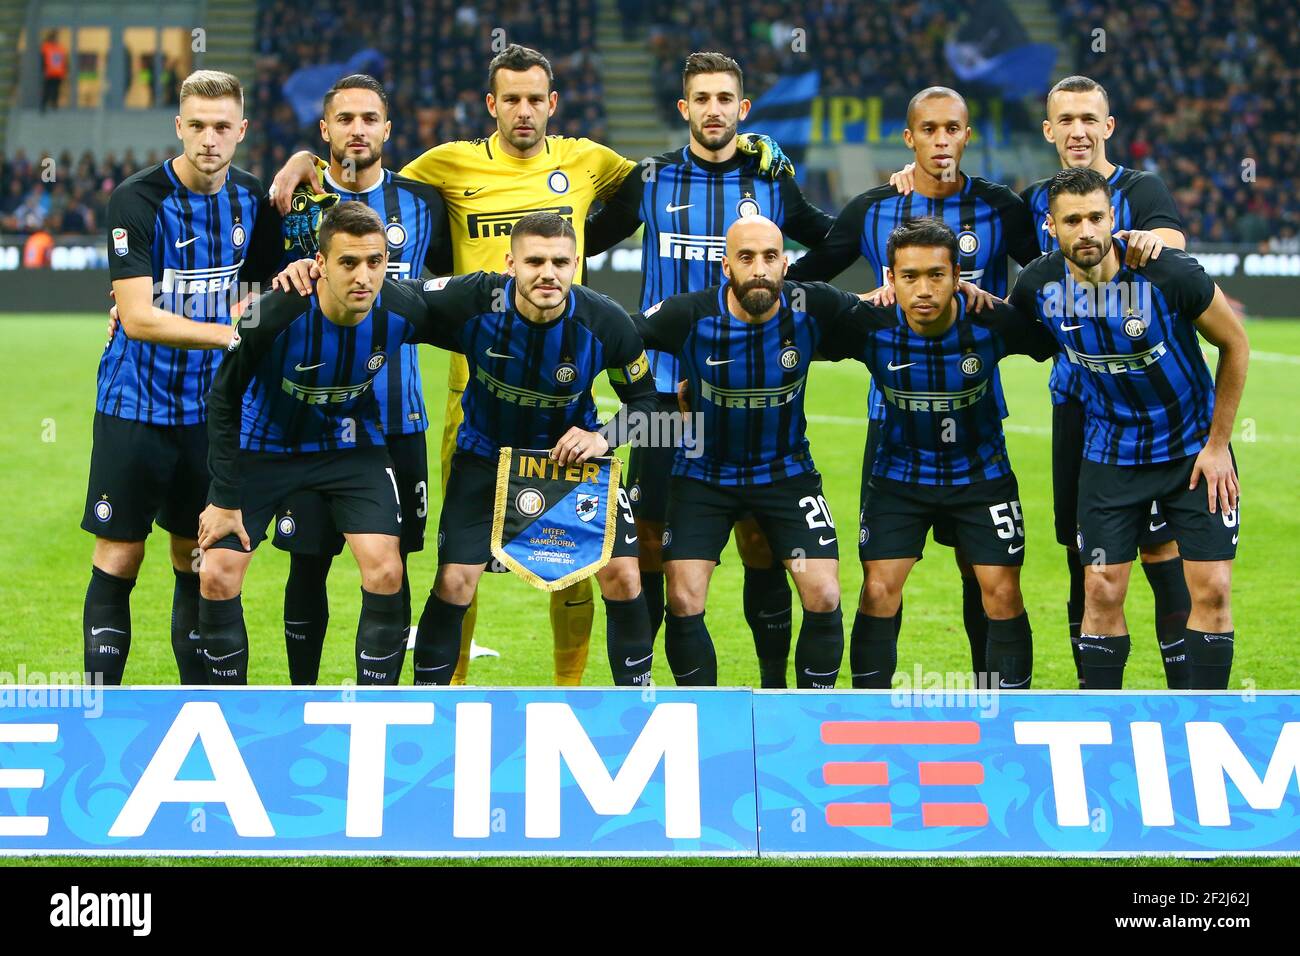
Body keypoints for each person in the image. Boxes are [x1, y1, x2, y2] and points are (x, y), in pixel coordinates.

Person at [269, 43, 791, 687]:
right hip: (475, 404)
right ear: (492, 104)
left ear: (553, 103)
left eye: (534, 99)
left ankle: (568, 689)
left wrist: (743, 150)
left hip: (564, 430)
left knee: (579, 568)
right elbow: (370, 174)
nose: (523, 110)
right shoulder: (449, 170)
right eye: (510, 98)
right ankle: (448, 690)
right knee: (457, 572)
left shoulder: (588, 185)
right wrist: (306, 169)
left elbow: (669, 176)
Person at [584, 51, 833, 687]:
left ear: (743, 110)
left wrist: (787, 295)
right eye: (702, 99)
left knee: (760, 546)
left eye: (726, 99)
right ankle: (638, 694)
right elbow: (581, 242)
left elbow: (832, 242)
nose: (714, 109)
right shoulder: (652, 179)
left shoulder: (772, 179)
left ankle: (774, 688)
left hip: (752, 393)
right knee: (650, 548)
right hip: (664, 401)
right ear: (684, 109)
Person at [1008, 167, 1248, 689]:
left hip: (1192, 453)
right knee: (1100, 589)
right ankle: (1103, 720)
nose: (1087, 230)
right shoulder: (1039, 286)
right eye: (1073, 220)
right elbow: (1006, 332)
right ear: (1051, 227)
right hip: (1110, 458)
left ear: (1114, 218)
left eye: (1097, 217)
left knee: (1211, 589)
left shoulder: (1168, 273)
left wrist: (1219, 446)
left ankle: (1202, 721)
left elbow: (1236, 344)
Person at [402, 213, 658, 686]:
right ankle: (429, 698)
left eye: (560, 262)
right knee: (456, 581)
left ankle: (638, 702)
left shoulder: (606, 322)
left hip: (571, 467)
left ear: (576, 264)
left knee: (624, 575)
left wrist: (603, 436)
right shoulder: (475, 299)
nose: (548, 273)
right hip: (487, 461)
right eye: (535, 260)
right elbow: (396, 297)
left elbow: (649, 406)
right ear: (510, 263)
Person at [83, 70, 280, 686]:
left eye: (222, 126)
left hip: (210, 416)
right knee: (121, 554)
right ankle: (98, 706)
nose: (209, 139)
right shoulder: (137, 200)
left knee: (194, 557)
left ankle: (197, 708)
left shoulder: (252, 201)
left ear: (241, 131)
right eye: (196, 125)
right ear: (179, 127)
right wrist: (230, 335)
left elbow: (258, 295)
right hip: (134, 406)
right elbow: (138, 319)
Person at [199, 202, 445, 685]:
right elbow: (223, 399)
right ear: (320, 265)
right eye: (348, 263)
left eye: (375, 262)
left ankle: (377, 712)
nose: (363, 276)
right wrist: (224, 498)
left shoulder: (402, 307)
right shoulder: (272, 314)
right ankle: (226, 709)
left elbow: (476, 303)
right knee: (217, 573)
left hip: (350, 448)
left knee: (386, 571)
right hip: (263, 449)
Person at [817, 218, 1057, 689]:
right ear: (890, 278)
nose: (923, 289)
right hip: (899, 477)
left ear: (957, 277)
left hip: (982, 476)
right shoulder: (868, 325)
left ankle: (1007, 713)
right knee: (879, 590)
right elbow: (794, 331)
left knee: (1002, 593)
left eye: (936, 275)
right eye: (909, 277)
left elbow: (1054, 342)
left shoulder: (993, 322)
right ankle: (872, 713)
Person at [267, 73, 451, 685]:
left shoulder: (425, 204)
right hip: (312, 421)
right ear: (325, 130)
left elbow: (449, 293)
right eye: (344, 118)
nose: (357, 130)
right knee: (308, 563)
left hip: (397, 418)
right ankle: (302, 694)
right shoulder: (294, 205)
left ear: (388, 130)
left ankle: (386, 704)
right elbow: (256, 292)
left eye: (369, 118)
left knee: (392, 565)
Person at [631, 216, 855, 688]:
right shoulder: (688, 314)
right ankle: (708, 718)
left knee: (824, 592)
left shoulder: (813, 306)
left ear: (785, 264)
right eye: (746, 258)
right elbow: (618, 335)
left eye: (770, 257)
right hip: (702, 476)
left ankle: (791, 703)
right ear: (726, 265)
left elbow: (882, 318)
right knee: (685, 599)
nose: (759, 269)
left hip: (787, 474)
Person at [40, 31, 68, 113]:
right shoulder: (47, 47)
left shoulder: (59, 48)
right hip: (50, 73)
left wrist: (65, 71)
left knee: (54, 90)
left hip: (57, 73)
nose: (56, 39)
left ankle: (53, 105)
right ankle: (45, 106)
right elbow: (42, 60)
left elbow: (64, 61)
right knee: (48, 90)